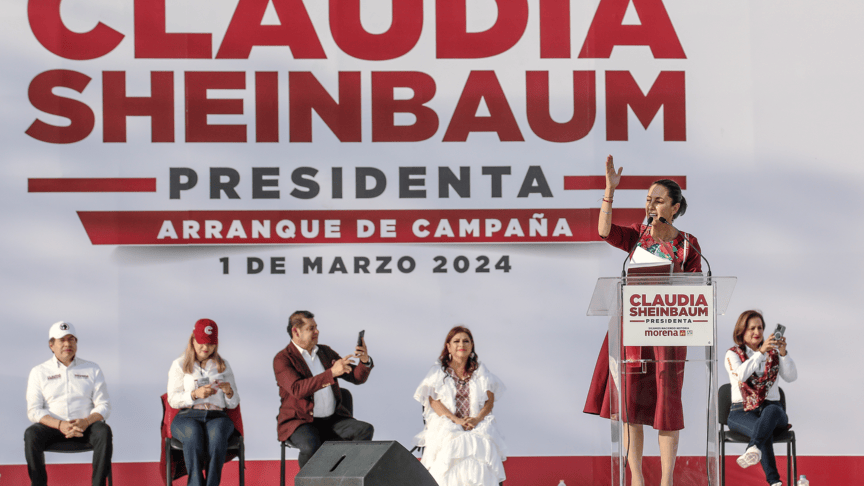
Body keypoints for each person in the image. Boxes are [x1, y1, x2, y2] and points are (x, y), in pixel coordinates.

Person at [583, 155, 702, 486]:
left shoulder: (688, 244)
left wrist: (666, 241)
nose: (650, 204)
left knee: (666, 407)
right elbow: (604, 231)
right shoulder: (637, 234)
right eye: (648, 199)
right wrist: (609, 190)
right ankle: (636, 479)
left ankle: (665, 481)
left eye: (658, 199)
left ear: (675, 207)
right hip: (632, 330)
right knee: (630, 406)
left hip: (668, 334)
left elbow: (697, 290)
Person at [273, 310, 374, 468]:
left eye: (316, 327)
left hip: (332, 420)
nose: (316, 331)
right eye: (310, 328)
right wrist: (331, 373)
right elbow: (297, 389)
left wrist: (364, 361)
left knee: (364, 430)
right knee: (310, 445)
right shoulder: (283, 359)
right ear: (295, 331)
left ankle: (347, 477)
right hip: (300, 421)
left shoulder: (325, 352)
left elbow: (356, 377)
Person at [413, 326, 507, 486]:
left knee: (480, 441)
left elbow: (489, 401)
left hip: (475, 422)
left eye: (466, 341)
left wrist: (476, 419)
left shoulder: (480, 371)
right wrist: (456, 420)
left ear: (471, 346)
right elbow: (434, 402)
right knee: (454, 441)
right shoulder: (438, 372)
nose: (461, 344)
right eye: (456, 341)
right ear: (448, 346)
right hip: (448, 422)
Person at [24, 321, 113, 486]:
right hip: (53, 427)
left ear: (76, 342)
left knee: (104, 431)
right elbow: (34, 410)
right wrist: (60, 424)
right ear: (51, 345)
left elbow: (104, 405)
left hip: (86, 427)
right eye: (62, 340)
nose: (67, 344)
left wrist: (86, 421)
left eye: (71, 339)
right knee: (31, 434)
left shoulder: (92, 369)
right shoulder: (39, 372)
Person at [724, 310, 797, 486]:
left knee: (769, 415)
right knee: (763, 428)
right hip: (741, 411)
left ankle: (752, 448)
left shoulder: (774, 353)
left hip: (772, 410)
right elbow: (741, 375)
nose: (757, 332)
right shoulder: (732, 354)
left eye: (760, 328)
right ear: (742, 331)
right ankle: (775, 483)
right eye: (752, 328)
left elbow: (791, 377)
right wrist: (761, 353)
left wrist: (783, 353)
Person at [167, 319, 240, 486]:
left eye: (210, 344)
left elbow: (233, 404)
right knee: (193, 434)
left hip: (217, 415)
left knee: (218, 436)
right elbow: (172, 398)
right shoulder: (179, 364)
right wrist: (194, 394)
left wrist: (229, 392)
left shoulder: (223, 365)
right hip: (188, 415)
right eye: (201, 343)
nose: (205, 348)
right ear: (193, 340)